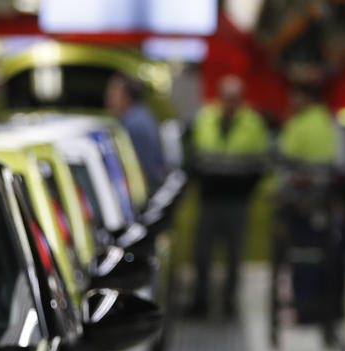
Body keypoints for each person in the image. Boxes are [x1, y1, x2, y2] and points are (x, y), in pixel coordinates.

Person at [187, 74, 270, 317]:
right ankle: (200, 301)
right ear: (220, 97)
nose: (230, 102)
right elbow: (194, 156)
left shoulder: (252, 123)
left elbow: (261, 163)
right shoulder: (205, 119)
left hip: (237, 201)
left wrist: (245, 188)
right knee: (201, 253)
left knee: (235, 256)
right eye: (227, 97)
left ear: (241, 99)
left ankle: (230, 303)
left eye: (235, 98)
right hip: (209, 199)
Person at [107, 72, 167, 178]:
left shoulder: (133, 125)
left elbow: (140, 169)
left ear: (127, 97)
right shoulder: (142, 114)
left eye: (113, 93)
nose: (108, 97)